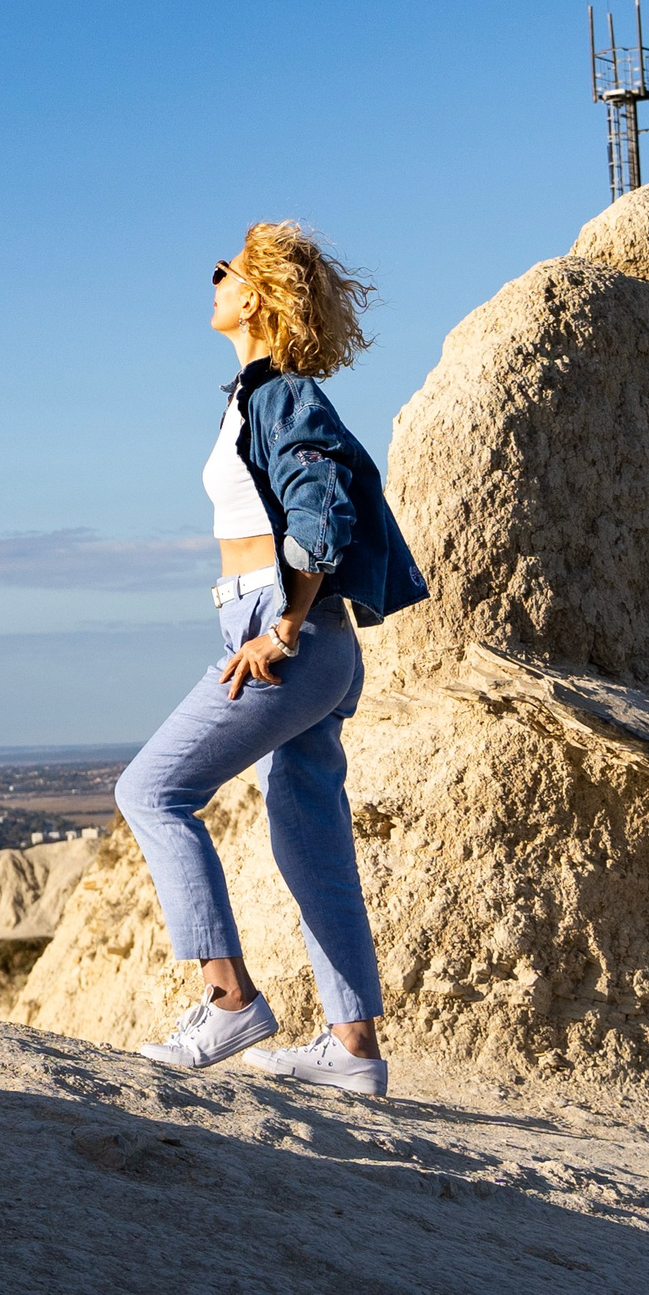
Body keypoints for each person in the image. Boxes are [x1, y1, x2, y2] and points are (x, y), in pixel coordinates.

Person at [115, 221, 428, 1096]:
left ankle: (227, 997)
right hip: (299, 634)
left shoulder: (282, 395)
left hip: (288, 633)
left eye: (224, 269)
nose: (210, 278)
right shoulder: (253, 395)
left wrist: (282, 625)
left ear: (254, 295)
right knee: (312, 839)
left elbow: (321, 512)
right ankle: (354, 1047)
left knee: (150, 789)